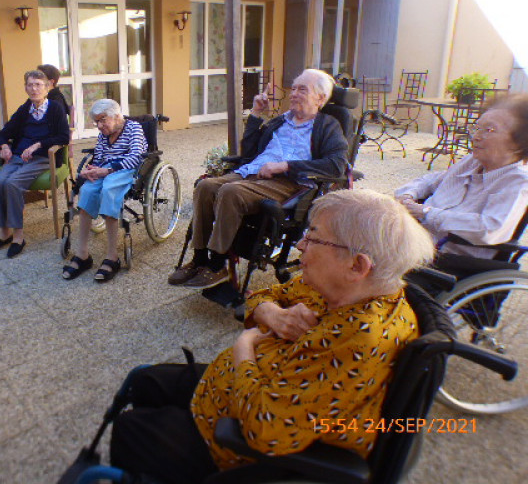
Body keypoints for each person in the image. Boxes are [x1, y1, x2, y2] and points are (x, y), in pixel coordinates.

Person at [109, 189, 435, 484]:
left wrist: (244, 348)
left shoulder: (359, 337)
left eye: (314, 238)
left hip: (238, 446)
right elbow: (262, 294)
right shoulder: (337, 288)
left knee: (131, 428)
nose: (299, 245)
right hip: (250, 384)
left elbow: (265, 430)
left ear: (357, 265)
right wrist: (271, 313)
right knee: (147, 382)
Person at [169, 68, 348, 289]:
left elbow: (336, 165)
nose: (293, 93)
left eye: (302, 89)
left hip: (288, 183)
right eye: (293, 88)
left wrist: (285, 166)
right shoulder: (280, 121)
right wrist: (255, 113)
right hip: (252, 173)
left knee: (230, 192)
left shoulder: (328, 126)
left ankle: (217, 265)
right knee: (206, 186)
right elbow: (248, 152)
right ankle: (199, 259)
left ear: (320, 98)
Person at [394, 93, 528, 259]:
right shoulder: (471, 161)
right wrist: (408, 195)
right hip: (417, 239)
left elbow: (488, 228)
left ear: (519, 143)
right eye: (476, 128)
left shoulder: (518, 182)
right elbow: (431, 181)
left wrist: (426, 212)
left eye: (489, 130)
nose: (476, 137)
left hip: (447, 256)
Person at [62, 99, 147, 282]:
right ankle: (83, 254)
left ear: (116, 116)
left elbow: (136, 157)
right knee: (87, 190)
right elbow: (99, 156)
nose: (99, 126)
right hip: (105, 169)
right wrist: (91, 170)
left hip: (126, 170)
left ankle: (112, 257)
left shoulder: (134, 128)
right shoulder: (104, 133)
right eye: (96, 122)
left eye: (102, 120)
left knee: (109, 190)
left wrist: (107, 170)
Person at [0, 70, 70, 258]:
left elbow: (64, 137)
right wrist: (4, 147)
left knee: (12, 183)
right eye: (30, 85)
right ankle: (5, 234)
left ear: (47, 88)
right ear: (25, 88)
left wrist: (38, 145)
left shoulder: (55, 108)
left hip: (42, 157)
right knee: (0, 181)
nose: (34, 89)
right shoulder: (25, 109)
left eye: (38, 85)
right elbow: (2, 133)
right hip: (17, 156)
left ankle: (18, 237)